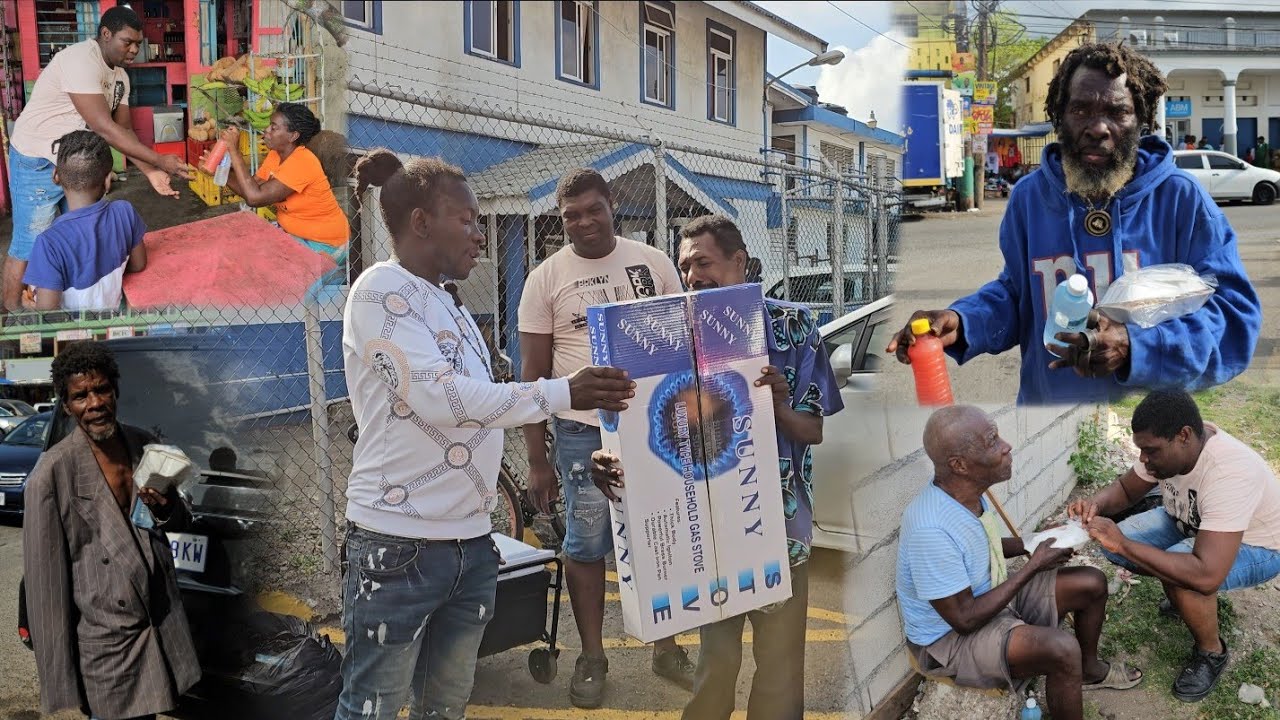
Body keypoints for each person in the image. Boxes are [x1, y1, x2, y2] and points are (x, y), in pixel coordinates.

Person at [338, 150, 636, 720]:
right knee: (372, 707)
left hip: (472, 544)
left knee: (446, 706)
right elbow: (442, 398)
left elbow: (485, 398)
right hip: (399, 546)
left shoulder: (448, 301)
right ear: (422, 222)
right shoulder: (379, 292)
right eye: (468, 220)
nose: (480, 234)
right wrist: (561, 392)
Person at [887, 42, 1261, 404]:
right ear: (1059, 115)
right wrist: (963, 319)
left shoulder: (1180, 197)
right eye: (1081, 110)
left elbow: (1234, 318)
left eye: (1117, 112)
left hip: (1149, 425)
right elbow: (1019, 295)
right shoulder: (1029, 198)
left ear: (1141, 119)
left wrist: (1136, 347)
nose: (1098, 127)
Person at [591, 215, 844, 720]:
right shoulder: (662, 335)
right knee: (715, 666)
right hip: (706, 534)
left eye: (702, 262)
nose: (692, 277)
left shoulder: (792, 326)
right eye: (685, 267)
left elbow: (811, 431)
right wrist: (613, 460)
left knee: (778, 673)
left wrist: (778, 406)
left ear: (739, 262)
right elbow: (647, 433)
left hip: (778, 531)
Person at [518, 167, 695, 708]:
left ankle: (669, 647)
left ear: (611, 205)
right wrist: (536, 459)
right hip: (581, 436)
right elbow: (533, 377)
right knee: (586, 544)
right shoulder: (546, 278)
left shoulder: (653, 264)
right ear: (561, 218)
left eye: (593, 209)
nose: (583, 222)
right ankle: (592, 656)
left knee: (660, 534)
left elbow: (685, 345)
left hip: (655, 429)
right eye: (571, 214)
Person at [896, 405, 1141, 720]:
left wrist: (1033, 542)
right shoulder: (930, 528)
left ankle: (1089, 671)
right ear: (960, 465)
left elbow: (978, 548)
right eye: (992, 441)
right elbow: (964, 619)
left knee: (1091, 583)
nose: (1006, 446)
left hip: (987, 601)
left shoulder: (966, 497)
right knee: (1062, 649)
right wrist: (1032, 566)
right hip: (948, 642)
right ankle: (1071, 671)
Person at [22, 340, 200, 720]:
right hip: (105, 643)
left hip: (157, 623)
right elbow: (45, 589)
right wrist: (61, 681)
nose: (95, 403)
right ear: (67, 407)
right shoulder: (51, 474)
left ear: (115, 390)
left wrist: (165, 506)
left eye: (101, 389)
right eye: (81, 396)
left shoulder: (145, 446)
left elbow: (179, 521)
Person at [1069, 390, 1280, 702]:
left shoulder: (1229, 472)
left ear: (1183, 436)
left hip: (1259, 546)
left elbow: (1206, 573)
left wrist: (1127, 545)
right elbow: (1127, 490)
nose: (1143, 458)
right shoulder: (1164, 449)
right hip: (1189, 522)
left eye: (1150, 451)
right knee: (1116, 546)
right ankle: (1186, 597)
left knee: (1187, 573)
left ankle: (1211, 651)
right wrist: (1095, 505)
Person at [6, 6, 189, 313]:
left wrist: (149, 172)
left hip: (73, 163)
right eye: (126, 42)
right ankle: (13, 315)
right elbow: (104, 127)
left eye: (137, 44)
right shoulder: (80, 59)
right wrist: (160, 161)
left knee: (77, 237)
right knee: (30, 243)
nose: (133, 50)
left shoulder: (121, 78)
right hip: (37, 159)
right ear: (106, 34)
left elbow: (124, 130)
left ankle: (73, 312)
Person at [21, 130, 147, 312]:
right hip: (113, 321)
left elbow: (47, 313)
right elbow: (139, 264)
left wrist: (32, 307)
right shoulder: (124, 212)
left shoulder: (49, 243)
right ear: (107, 182)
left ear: (56, 176)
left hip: (73, 336)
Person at [210, 103, 349, 258]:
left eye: (274, 128)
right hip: (293, 234)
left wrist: (234, 151)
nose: (266, 130)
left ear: (293, 136)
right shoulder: (276, 155)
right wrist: (218, 170)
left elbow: (254, 198)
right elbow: (250, 188)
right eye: (269, 125)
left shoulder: (303, 162)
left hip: (326, 243)